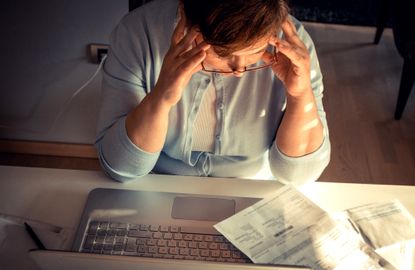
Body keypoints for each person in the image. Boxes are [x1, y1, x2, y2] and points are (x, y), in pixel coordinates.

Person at [95, 0, 331, 184]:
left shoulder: (292, 46)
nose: (240, 69)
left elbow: (299, 175)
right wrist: (161, 97)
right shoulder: (138, 33)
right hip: (156, 184)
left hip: (253, 190)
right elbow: (121, 167)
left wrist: (301, 97)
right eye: (223, 54)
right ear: (186, 22)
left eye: (256, 50)